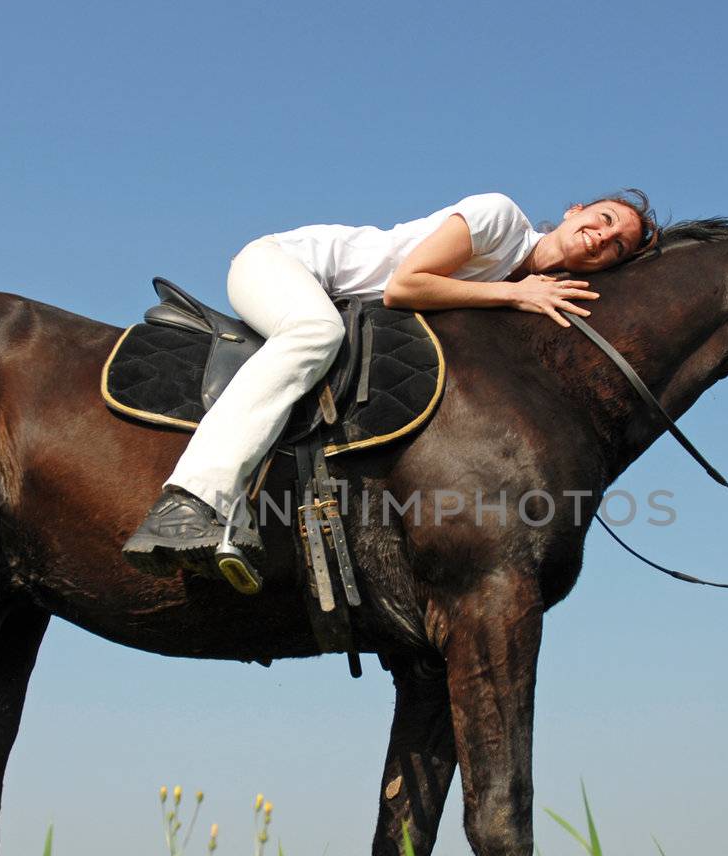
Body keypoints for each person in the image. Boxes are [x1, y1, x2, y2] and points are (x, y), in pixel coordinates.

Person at [121, 190, 660, 590]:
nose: (602, 237)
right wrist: (515, 295)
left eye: (617, 247)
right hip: (282, 265)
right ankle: (187, 501)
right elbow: (405, 286)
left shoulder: (522, 285)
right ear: (575, 211)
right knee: (315, 333)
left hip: (338, 298)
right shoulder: (501, 219)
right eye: (604, 220)